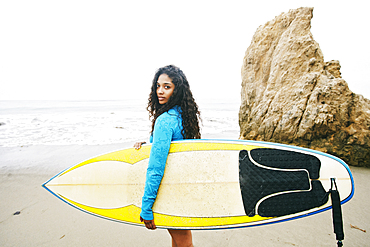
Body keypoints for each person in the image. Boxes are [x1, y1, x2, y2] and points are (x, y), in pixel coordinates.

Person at [134, 65, 201, 247]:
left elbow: (156, 168)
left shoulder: (164, 120)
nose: (160, 91)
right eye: (158, 86)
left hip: (169, 191)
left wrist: (146, 206)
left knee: (184, 243)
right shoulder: (185, 116)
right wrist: (150, 145)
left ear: (176, 89)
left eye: (167, 86)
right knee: (178, 241)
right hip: (183, 187)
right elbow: (175, 151)